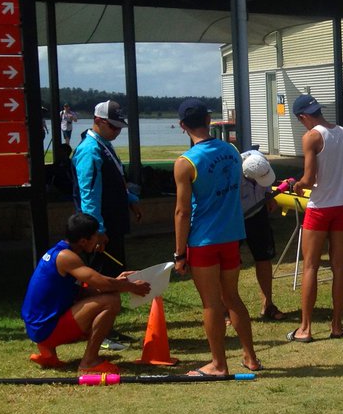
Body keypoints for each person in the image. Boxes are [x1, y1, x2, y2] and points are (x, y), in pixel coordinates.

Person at [172, 99, 261, 376]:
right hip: (231, 236)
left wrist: (179, 253)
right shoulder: (232, 151)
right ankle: (251, 357)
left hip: (204, 241)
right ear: (209, 120)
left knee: (211, 303)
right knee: (232, 297)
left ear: (183, 126)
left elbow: (182, 212)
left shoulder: (185, 163)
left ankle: (218, 364)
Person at [20, 212, 150, 374]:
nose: (98, 239)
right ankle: (89, 362)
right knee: (112, 301)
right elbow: (99, 282)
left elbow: (87, 289)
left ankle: (48, 354)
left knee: (97, 294)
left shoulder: (56, 252)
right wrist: (131, 287)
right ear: (83, 241)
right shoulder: (67, 257)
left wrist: (118, 283)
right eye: (95, 235)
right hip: (45, 330)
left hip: (37, 327)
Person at [285, 94, 343, 343]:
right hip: (342, 207)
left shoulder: (311, 136)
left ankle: (305, 329)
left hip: (319, 209)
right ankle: (336, 326)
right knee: (339, 268)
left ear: (302, 117)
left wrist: (295, 186)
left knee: (310, 267)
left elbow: (307, 180)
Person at [72, 99, 141, 280]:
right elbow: (88, 193)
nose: (117, 132)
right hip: (101, 224)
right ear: (98, 120)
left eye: (119, 127)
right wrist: (97, 230)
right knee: (103, 274)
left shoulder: (104, 144)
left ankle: (111, 302)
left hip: (112, 221)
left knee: (115, 271)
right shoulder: (90, 150)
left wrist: (130, 200)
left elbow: (116, 179)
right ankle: (104, 304)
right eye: (113, 127)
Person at [239, 148, 285, 322]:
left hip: (258, 213)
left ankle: (268, 305)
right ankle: (227, 309)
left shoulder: (259, 160)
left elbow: (267, 184)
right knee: (231, 265)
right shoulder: (234, 173)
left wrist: (268, 196)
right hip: (235, 218)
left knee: (264, 258)